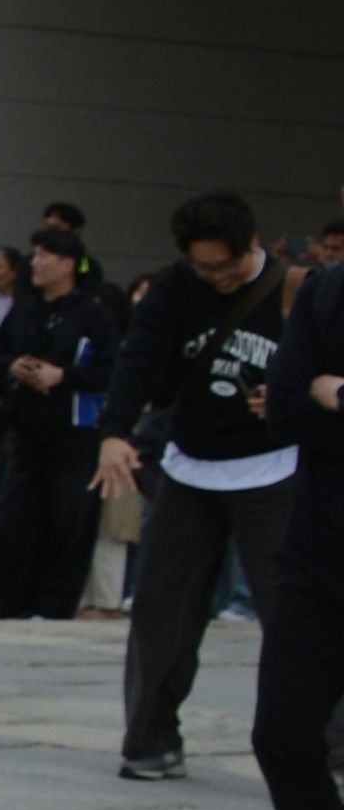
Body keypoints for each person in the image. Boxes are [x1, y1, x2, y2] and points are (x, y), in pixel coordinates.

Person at [97, 193, 295, 778]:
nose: (218, 277)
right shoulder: (175, 289)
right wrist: (114, 432)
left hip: (274, 470)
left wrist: (289, 395)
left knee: (293, 612)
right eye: (206, 267)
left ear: (252, 243)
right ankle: (151, 738)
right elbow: (138, 361)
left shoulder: (296, 289)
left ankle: (325, 739)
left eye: (227, 266)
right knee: (165, 608)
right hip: (191, 465)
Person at [239, 249, 344, 810]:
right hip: (318, 554)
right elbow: (284, 406)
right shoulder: (327, 293)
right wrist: (316, 396)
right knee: (282, 733)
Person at [0, 226, 123, 622]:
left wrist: (62, 376)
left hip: (75, 433)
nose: (36, 263)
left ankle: (52, 604)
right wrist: (13, 367)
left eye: (45, 256)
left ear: (68, 264)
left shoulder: (93, 315)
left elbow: (111, 372)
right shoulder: (26, 307)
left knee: (68, 518)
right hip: (25, 427)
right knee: (13, 516)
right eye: (34, 255)